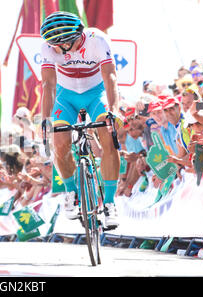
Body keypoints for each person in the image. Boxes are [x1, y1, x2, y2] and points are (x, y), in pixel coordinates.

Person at [39, 11, 121, 229]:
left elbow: (110, 76)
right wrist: (45, 119)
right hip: (66, 98)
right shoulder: (48, 46)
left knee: (109, 137)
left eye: (59, 44)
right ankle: (71, 191)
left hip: (96, 94)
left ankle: (110, 202)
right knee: (60, 144)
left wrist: (114, 110)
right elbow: (48, 85)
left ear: (72, 40)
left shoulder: (97, 40)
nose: (54, 48)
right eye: (52, 44)